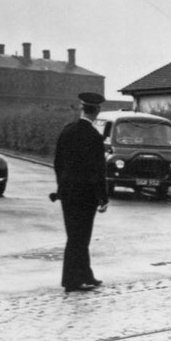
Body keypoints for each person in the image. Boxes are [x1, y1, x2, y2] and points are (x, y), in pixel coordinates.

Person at [53, 92, 109, 293]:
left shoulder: (67, 131)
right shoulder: (94, 137)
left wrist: (62, 186)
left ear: (82, 108)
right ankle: (71, 280)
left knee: (74, 234)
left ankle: (85, 275)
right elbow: (98, 170)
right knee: (81, 237)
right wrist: (103, 197)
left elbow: (58, 163)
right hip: (86, 195)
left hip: (67, 194)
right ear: (97, 111)